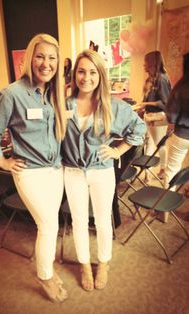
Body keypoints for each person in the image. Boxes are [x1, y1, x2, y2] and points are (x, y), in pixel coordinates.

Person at [0, 33, 67, 302]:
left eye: (52, 58)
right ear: (29, 59)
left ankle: (47, 268)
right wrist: (1, 160)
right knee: (48, 225)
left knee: (50, 223)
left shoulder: (54, 93)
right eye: (40, 56)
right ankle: (45, 276)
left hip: (55, 169)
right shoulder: (11, 94)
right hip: (30, 172)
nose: (46, 63)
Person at [61, 49, 146, 291]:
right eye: (81, 71)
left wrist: (118, 150)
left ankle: (104, 263)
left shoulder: (113, 106)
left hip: (101, 170)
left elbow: (138, 129)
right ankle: (85, 264)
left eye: (92, 72)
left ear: (100, 75)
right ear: (74, 74)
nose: (85, 77)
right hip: (73, 171)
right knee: (78, 220)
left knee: (102, 220)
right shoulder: (64, 104)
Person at [161, 52, 189, 222]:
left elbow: (170, 113)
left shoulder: (180, 87)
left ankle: (165, 211)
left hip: (181, 134)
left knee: (172, 169)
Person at [138, 51, 171, 182]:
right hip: (148, 116)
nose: (143, 65)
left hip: (158, 117)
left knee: (160, 143)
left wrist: (145, 103)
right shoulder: (150, 79)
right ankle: (148, 173)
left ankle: (163, 169)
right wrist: (142, 108)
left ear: (152, 63)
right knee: (148, 144)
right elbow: (147, 97)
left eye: (145, 62)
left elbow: (165, 103)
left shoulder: (162, 79)